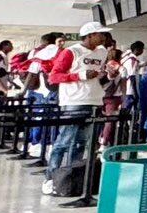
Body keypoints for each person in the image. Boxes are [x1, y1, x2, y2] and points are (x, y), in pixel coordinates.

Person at [45, 28, 112, 197]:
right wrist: (80, 75)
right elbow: (54, 77)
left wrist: (109, 75)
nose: (104, 37)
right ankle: (50, 178)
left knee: (82, 143)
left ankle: (71, 179)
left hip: (94, 100)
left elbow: (98, 77)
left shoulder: (102, 52)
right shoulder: (72, 51)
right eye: (100, 34)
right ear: (90, 35)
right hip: (74, 101)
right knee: (64, 142)